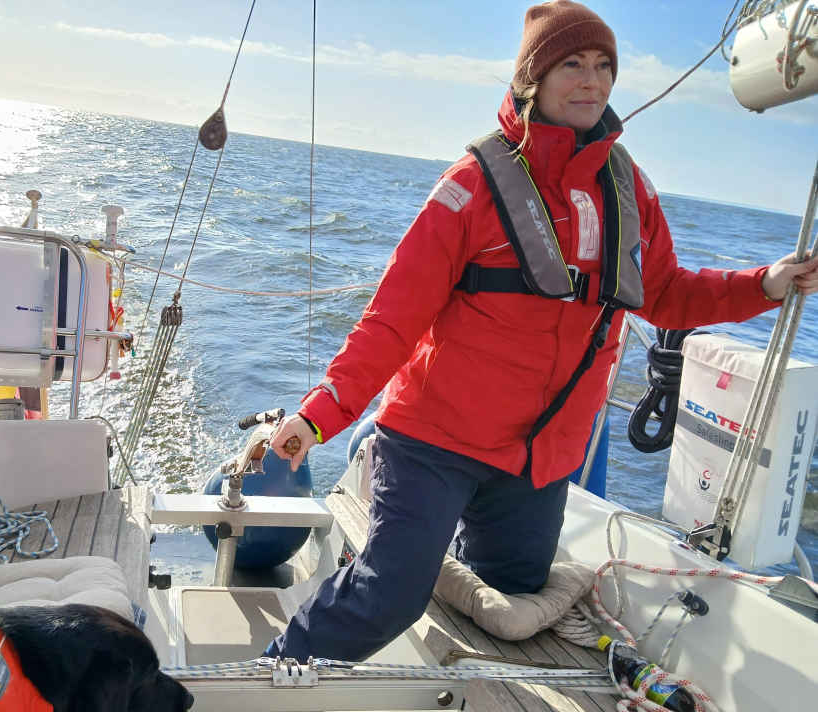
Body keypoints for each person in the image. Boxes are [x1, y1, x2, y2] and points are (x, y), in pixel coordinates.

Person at [265, 0, 818, 663]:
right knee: (389, 594)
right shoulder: (470, 187)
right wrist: (319, 415)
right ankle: (273, 674)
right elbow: (392, 321)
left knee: (511, 602)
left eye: (603, 66)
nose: (591, 81)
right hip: (432, 443)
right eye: (572, 65)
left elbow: (667, 293)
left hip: (538, 462)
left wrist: (763, 284)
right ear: (532, 79)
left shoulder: (629, 188)